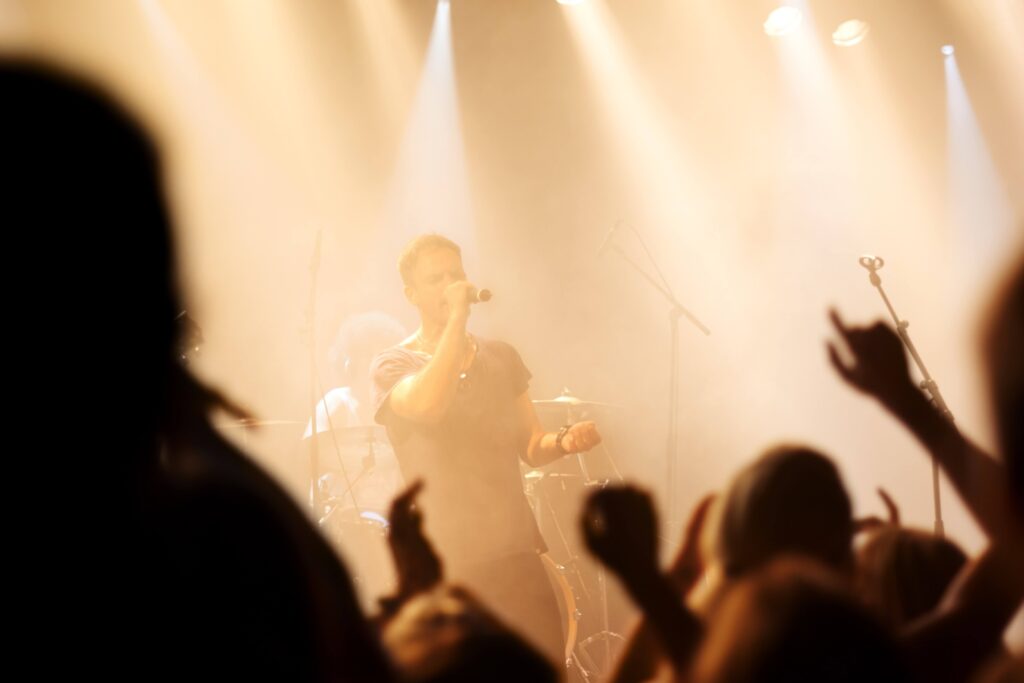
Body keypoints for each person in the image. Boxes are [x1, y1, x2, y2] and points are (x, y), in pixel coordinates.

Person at [370, 233, 602, 664]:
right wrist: (456, 320)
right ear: (411, 294)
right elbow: (428, 405)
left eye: (455, 275)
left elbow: (531, 444)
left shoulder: (500, 358)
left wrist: (565, 441)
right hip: (445, 561)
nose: (450, 285)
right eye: (435, 278)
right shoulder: (393, 364)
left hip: (515, 550)